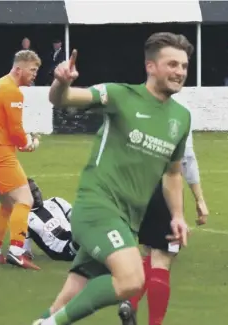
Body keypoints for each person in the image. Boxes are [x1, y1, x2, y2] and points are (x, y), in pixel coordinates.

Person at [32, 32, 194, 325]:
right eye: (172, 64)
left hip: (127, 222)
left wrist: (178, 216)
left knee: (65, 302)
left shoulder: (181, 117)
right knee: (132, 279)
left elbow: (172, 172)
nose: (180, 72)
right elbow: (64, 99)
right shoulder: (119, 95)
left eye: (184, 66)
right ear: (151, 66)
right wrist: (61, 82)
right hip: (97, 208)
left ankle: (47, 320)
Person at [118, 128, 210, 325]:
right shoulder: (178, 114)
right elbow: (187, 158)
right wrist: (199, 199)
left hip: (133, 188)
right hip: (163, 189)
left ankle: (129, 302)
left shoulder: (135, 106)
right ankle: (149, 318)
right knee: (162, 259)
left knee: (150, 253)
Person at [0, 50, 42, 270]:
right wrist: (29, 143)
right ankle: (16, 252)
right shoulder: (13, 92)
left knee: (6, 204)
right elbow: (15, 130)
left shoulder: (0, 83)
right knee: (26, 200)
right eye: (32, 70)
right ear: (19, 69)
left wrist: (22, 140)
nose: (35, 75)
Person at [23, 178, 80, 262]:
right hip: (63, 251)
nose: (36, 195)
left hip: (75, 238)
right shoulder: (24, 219)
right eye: (31, 193)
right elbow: (24, 252)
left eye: (36, 190)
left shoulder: (56, 201)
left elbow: (78, 219)